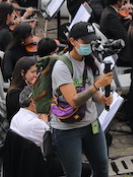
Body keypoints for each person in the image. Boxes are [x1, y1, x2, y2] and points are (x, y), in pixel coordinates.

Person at [49, 22, 115, 177]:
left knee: (102, 168)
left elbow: (94, 95)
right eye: (85, 42)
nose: (89, 46)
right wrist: (97, 85)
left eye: (91, 42)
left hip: (91, 123)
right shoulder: (62, 66)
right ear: (73, 41)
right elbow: (74, 100)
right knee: (73, 173)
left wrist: (103, 99)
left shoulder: (91, 61)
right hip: (67, 128)